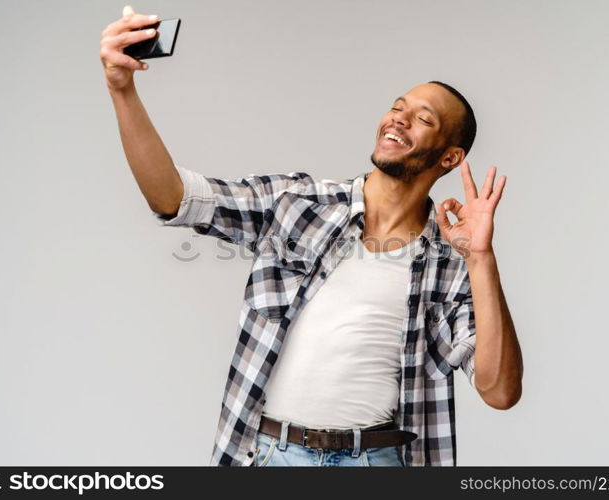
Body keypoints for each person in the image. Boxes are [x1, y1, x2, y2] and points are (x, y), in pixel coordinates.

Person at [100, 4, 524, 467]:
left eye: (424, 119)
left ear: (449, 157)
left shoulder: (450, 261)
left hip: (377, 462)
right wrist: (122, 90)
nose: (398, 118)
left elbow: (499, 391)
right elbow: (175, 198)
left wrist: (481, 257)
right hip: (271, 457)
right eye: (397, 107)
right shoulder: (298, 203)